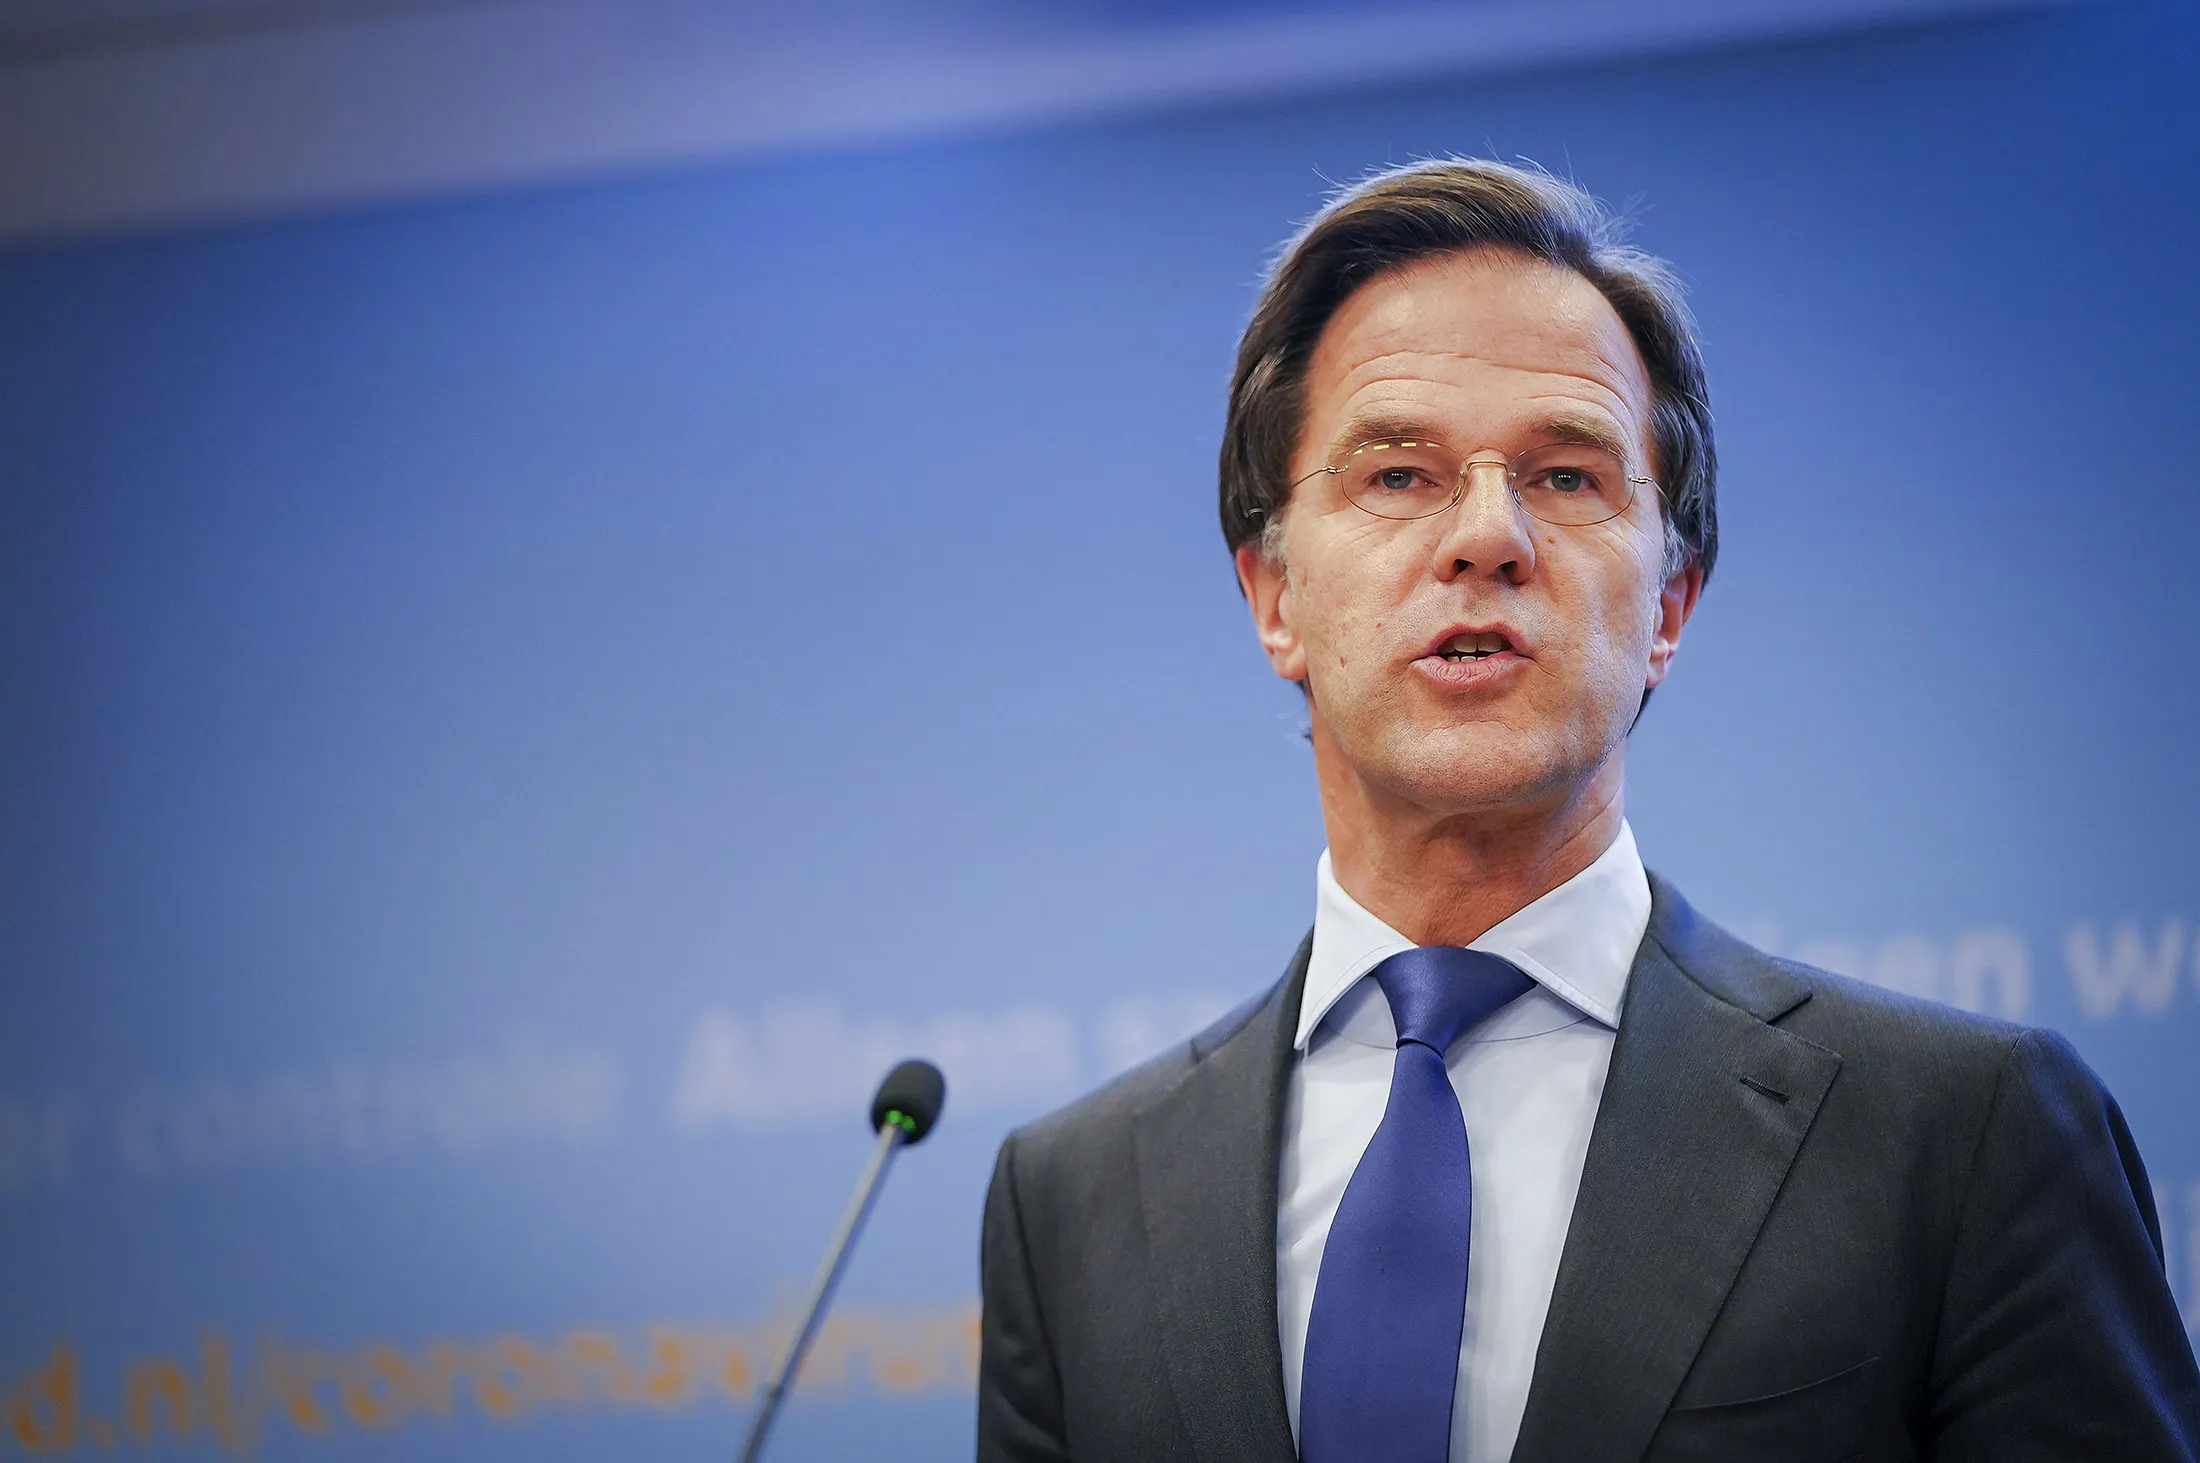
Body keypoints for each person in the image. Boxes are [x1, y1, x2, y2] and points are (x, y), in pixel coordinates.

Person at [973, 158, 2200, 1462]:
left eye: (1566, 476)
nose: (1488, 536)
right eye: (1397, 475)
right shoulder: (1074, 1202)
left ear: (1669, 606)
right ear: (1274, 595)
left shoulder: (1961, 1137)